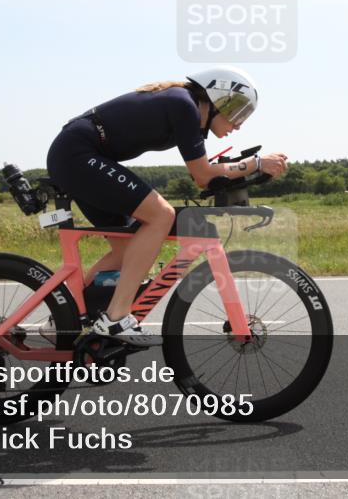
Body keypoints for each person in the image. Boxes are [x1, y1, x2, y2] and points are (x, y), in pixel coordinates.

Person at [44, 66, 288, 346]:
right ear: (218, 98)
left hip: (77, 154)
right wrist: (256, 164)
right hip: (77, 153)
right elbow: (203, 174)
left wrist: (238, 170)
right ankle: (115, 318)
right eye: (237, 112)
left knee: (127, 249)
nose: (238, 124)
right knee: (161, 215)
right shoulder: (183, 105)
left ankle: (67, 318)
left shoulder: (185, 107)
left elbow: (203, 177)